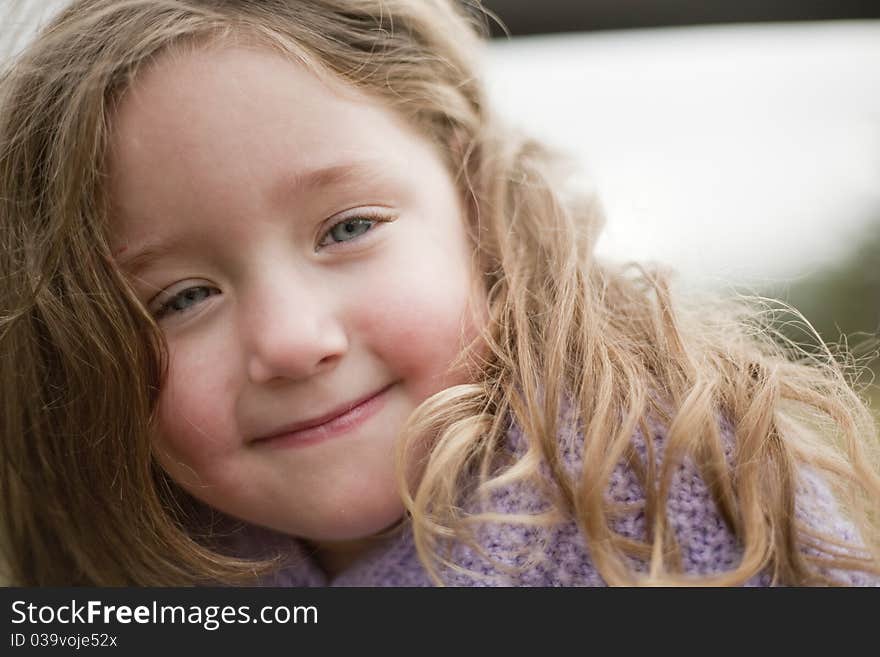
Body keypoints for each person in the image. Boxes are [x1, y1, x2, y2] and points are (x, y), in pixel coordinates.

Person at [0, 0, 877, 587]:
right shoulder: (122, 579)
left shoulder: (682, 501)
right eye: (181, 297)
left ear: (477, 206)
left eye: (347, 229)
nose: (291, 341)